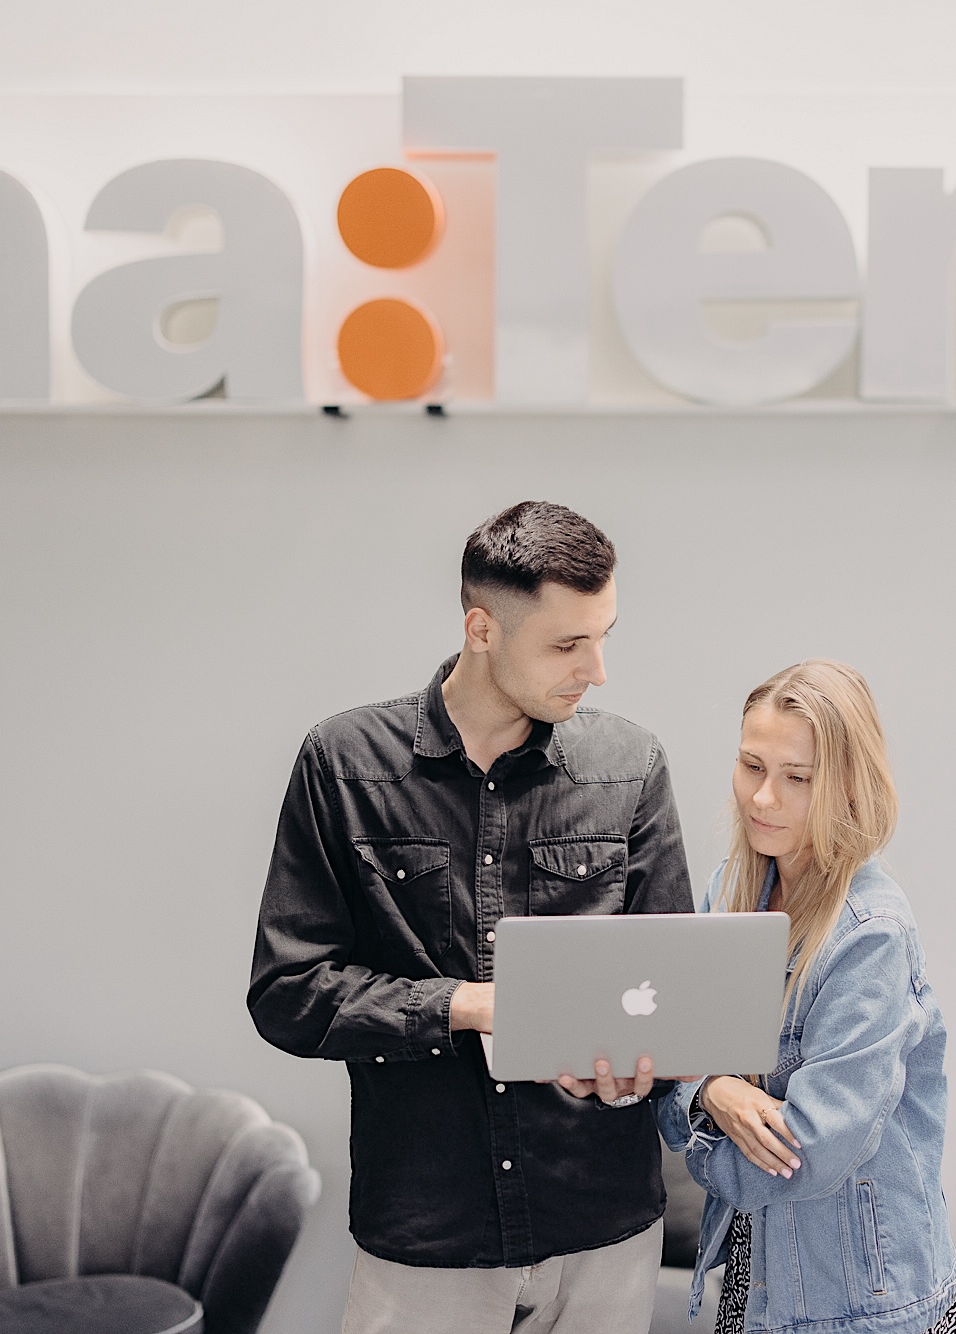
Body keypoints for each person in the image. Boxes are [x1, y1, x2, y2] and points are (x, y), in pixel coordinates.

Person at [248, 500, 694, 1334]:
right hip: (427, 1230)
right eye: (567, 644)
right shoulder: (343, 765)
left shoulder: (630, 765)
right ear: (481, 629)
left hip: (602, 1228)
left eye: (604, 637)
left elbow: (671, 988)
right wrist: (466, 1005)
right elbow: (288, 992)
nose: (596, 670)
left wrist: (643, 1065)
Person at [660, 660, 956, 1334]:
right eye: (752, 766)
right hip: (756, 1273)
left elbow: (807, 1148)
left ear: (849, 787)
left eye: (798, 778)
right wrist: (715, 1091)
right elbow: (676, 1055)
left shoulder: (871, 931)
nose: (764, 798)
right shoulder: (728, 894)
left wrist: (695, 1122)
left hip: (862, 1302)